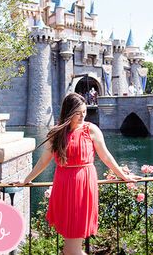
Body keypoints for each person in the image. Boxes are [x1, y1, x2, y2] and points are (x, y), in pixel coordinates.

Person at [14, 93, 141, 255]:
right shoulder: (57, 133)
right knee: (69, 248)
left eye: (84, 112)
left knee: (72, 248)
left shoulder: (91, 130)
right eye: (78, 112)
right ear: (68, 112)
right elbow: (43, 161)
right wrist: (26, 180)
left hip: (83, 187)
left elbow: (106, 156)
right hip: (63, 186)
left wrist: (123, 176)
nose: (82, 116)